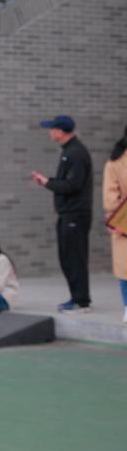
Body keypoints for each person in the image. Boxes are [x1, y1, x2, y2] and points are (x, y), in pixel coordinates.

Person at [31, 115, 93, 313]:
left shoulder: (76, 153)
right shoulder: (69, 151)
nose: (50, 132)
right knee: (67, 257)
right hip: (69, 214)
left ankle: (81, 301)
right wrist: (47, 181)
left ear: (60, 131)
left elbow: (73, 185)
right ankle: (77, 298)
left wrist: (47, 183)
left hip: (75, 214)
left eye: (51, 129)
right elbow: (67, 183)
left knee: (74, 258)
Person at [102, 125, 127, 324]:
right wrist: (116, 216)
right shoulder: (116, 162)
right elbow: (110, 197)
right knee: (125, 269)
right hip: (124, 222)